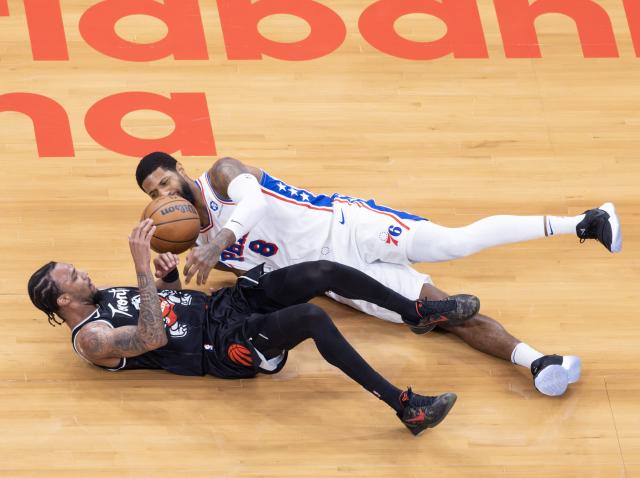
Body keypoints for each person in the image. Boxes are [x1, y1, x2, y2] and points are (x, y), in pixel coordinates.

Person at [134, 153, 621, 396]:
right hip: (339, 277)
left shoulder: (221, 174)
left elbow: (256, 200)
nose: (163, 194)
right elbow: (259, 281)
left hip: (349, 226)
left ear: (179, 170)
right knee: (438, 315)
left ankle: (583, 221)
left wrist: (220, 238)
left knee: (454, 242)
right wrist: (174, 278)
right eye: (154, 194)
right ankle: (538, 363)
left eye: (164, 181)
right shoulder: (196, 247)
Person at [27, 220, 482, 435]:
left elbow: (160, 302)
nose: (84, 273)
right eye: (74, 275)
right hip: (219, 346)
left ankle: (416, 313)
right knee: (311, 317)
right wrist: (143, 268)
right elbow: (152, 337)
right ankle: (406, 407)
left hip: (222, 305)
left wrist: (164, 274)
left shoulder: (100, 293)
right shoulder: (89, 339)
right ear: (63, 300)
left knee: (319, 271)